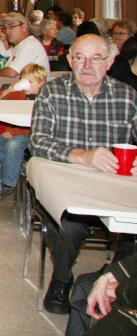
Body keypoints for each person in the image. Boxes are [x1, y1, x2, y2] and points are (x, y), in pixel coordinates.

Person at [29, 34, 137, 314]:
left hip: (114, 185)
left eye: (96, 58)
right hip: (67, 183)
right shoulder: (52, 92)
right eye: (80, 58)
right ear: (69, 60)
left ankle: (114, 277)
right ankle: (62, 279)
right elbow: (37, 142)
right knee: (67, 224)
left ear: (109, 62)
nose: (87, 65)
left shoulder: (127, 96)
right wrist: (83, 156)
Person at [0, 64, 48, 202]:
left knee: (13, 145)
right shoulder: (20, 95)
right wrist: (9, 90)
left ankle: (8, 183)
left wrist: (14, 132)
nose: (26, 84)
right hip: (14, 132)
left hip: (33, 135)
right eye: (23, 81)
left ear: (41, 84)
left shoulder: (44, 98)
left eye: (30, 82)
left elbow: (37, 124)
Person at [0, 12, 50, 80]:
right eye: (5, 28)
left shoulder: (30, 45)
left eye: (12, 27)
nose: (7, 31)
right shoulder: (19, 46)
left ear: (24, 27)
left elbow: (11, 72)